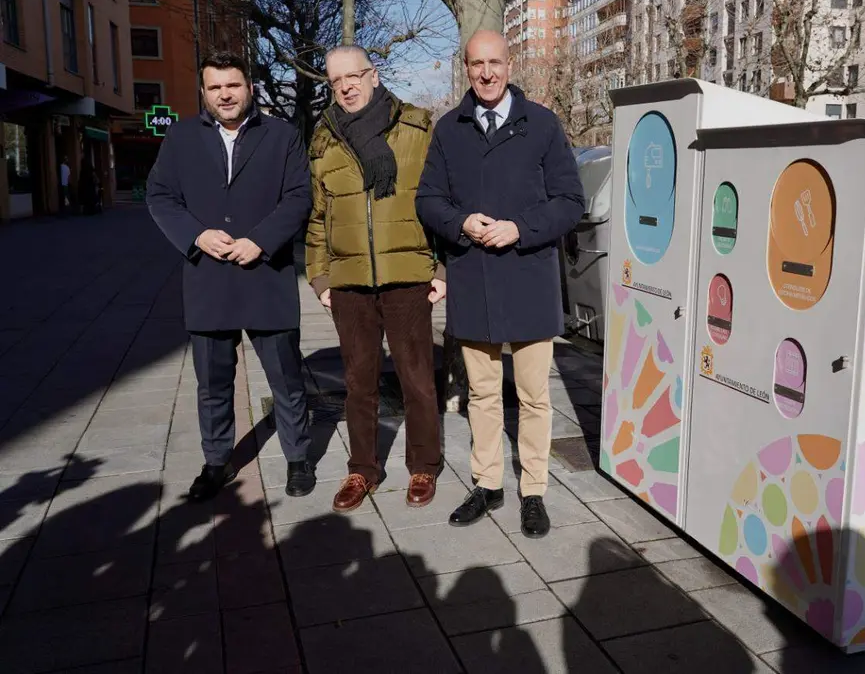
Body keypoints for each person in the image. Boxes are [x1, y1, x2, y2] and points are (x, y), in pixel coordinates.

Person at [416, 30, 585, 538]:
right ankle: (487, 484)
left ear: (510, 64)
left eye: (495, 62)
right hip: (474, 279)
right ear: (465, 68)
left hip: (529, 277)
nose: (486, 73)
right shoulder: (449, 129)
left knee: (534, 397)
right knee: (482, 396)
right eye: (476, 64)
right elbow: (428, 200)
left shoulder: (542, 125)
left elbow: (570, 201)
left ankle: (532, 491)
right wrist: (462, 223)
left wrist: (520, 229)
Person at [147, 51, 316, 502]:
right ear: (203, 91)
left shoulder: (281, 136)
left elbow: (300, 196)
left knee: (286, 378)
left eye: (233, 85)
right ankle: (217, 462)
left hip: (266, 275)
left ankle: (298, 459)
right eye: (215, 87)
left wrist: (261, 240)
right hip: (208, 281)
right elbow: (160, 197)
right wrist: (196, 235)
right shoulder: (180, 138)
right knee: (213, 384)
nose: (225, 94)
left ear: (249, 88)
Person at [305, 46, 446, 513]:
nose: (345, 86)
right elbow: (318, 214)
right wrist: (321, 279)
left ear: (373, 75)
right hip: (349, 283)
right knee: (357, 382)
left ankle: (424, 464)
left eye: (354, 76)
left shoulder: (417, 127)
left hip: (407, 275)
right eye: (335, 81)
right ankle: (362, 469)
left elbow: (443, 200)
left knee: (418, 380)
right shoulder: (325, 139)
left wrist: (442, 268)